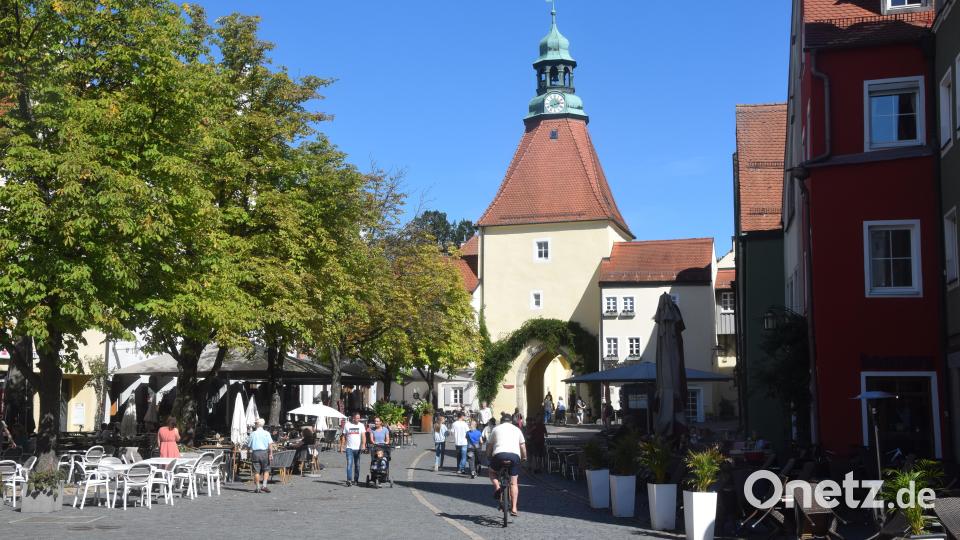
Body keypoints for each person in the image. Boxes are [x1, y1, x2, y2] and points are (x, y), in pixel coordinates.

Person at [487, 413, 527, 517]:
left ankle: (497, 487)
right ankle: (514, 508)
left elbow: (490, 445)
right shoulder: (517, 429)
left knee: (492, 472)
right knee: (514, 483)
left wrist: (488, 456)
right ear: (511, 421)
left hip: (499, 455)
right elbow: (522, 446)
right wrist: (524, 457)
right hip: (514, 457)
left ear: (501, 421)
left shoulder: (496, 429)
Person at [247, 418, 274, 493]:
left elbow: (248, 445)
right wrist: (271, 454)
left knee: (256, 471)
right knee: (266, 469)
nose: (255, 425)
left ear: (257, 425)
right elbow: (270, 444)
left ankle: (258, 487)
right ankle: (264, 486)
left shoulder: (253, 433)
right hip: (264, 452)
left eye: (255, 423)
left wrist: (248, 453)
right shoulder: (267, 433)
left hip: (255, 453)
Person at [339, 412, 366, 486]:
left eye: (359, 418)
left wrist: (363, 445)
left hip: (358, 448)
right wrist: (342, 446)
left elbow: (363, 436)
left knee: (357, 465)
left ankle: (356, 480)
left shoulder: (361, 425)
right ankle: (349, 480)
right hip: (349, 448)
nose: (358, 419)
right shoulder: (347, 425)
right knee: (349, 464)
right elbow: (344, 436)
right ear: (353, 418)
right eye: (357, 418)